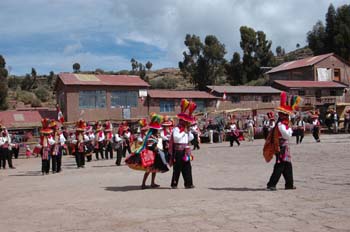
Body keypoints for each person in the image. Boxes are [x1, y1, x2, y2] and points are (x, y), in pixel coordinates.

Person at [125, 113, 169, 189]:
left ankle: (152, 183)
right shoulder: (151, 136)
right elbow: (150, 145)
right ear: (155, 130)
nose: (158, 131)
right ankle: (143, 184)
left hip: (154, 153)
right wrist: (156, 149)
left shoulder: (154, 135)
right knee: (149, 169)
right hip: (151, 154)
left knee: (154, 169)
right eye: (157, 130)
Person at [267, 92, 298, 191]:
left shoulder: (283, 124)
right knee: (280, 165)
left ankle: (289, 184)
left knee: (287, 165)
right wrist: (291, 129)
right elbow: (287, 135)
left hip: (284, 147)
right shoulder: (281, 125)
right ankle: (271, 184)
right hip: (280, 147)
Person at [171, 99, 195, 189]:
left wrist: (188, 131)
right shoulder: (176, 129)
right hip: (179, 151)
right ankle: (174, 183)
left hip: (186, 150)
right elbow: (176, 138)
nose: (185, 123)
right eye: (184, 121)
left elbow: (191, 138)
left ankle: (188, 183)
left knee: (187, 167)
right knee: (177, 168)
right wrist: (183, 132)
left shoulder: (185, 129)